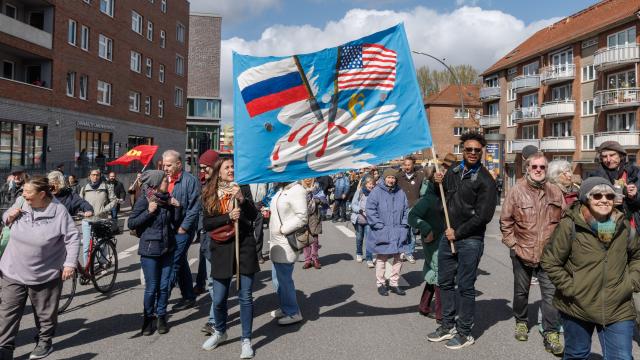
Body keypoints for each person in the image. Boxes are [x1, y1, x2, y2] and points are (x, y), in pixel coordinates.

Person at [541, 177, 640, 360]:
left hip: (618, 306)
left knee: (622, 357)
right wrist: (572, 287)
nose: (604, 200)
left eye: (609, 196)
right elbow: (550, 261)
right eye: (597, 195)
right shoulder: (570, 225)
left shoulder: (623, 225)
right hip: (577, 305)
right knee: (576, 355)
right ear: (586, 198)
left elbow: (637, 256)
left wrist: (631, 282)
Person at [428, 131, 497, 349]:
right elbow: (442, 196)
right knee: (445, 282)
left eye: (477, 150)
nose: (473, 153)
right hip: (448, 236)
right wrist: (434, 181)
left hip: (470, 240)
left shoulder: (486, 180)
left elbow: (483, 216)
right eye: (469, 149)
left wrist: (458, 233)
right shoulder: (454, 171)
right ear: (462, 150)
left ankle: (465, 331)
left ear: (482, 151)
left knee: (466, 286)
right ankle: (447, 325)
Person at [0, 177, 80, 360]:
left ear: (42, 194)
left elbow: (72, 238)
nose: (23, 195)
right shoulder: (22, 202)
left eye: (28, 193)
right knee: (7, 313)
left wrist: (69, 264)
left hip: (44, 273)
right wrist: (8, 216)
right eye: (23, 192)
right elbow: (6, 219)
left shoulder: (59, 212)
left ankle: (44, 341)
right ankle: (4, 348)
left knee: (45, 314)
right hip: (13, 270)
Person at [499, 153, 564, 355]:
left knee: (551, 294)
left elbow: (564, 221)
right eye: (534, 166)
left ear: (546, 169)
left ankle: (551, 332)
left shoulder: (555, 192)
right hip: (521, 253)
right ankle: (521, 321)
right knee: (521, 292)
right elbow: (505, 221)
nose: (538, 170)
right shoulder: (516, 191)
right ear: (527, 168)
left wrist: (560, 250)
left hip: (549, 255)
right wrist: (513, 245)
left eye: (542, 167)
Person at [200, 156, 258, 359]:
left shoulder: (242, 186)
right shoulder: (208, 191)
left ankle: (246, 339)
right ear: (218, 171)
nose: (231, 170)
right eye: (227, 167)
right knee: (218, 298)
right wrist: (227, 217)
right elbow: (207, 224)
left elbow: (253, 216)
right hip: (221, 247)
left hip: (244, 246)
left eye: (233, 166)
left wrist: (242, 199)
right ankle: (220, 331)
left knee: (245, 296)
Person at [127, 170, 180, 336]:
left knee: (164, 286)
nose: (168, 181)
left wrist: (177, 207)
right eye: (165, 180)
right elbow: (131, 223)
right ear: (156, 184)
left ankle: (161, 316)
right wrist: (148, 212)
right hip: (150, 250)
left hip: (168, 248)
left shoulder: (168, 199)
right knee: (152, 287)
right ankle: (148, 318)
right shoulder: (145, 200)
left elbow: (175, 223)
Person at [162, 150, 202, 311]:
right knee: (181, 262)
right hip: (166, 229)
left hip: (183, 229)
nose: (165, 168)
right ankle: (189, 296)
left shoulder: (190, 181)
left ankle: (161, 299)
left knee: (173, 263)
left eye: (169, 165)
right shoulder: (162, 179)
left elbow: (194, 208)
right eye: (164, 164)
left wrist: (184, 227)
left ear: (179, 164)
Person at [366, 168, 409, 296]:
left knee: (399, 258)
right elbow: (370, 209)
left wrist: (405, 224)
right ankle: (381, 283)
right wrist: (379, 225)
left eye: (393, 178)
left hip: (398, 230)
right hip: (383, 230)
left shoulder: (400, 192)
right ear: (384, 178)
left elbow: (406, 210)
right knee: (381, 258)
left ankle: (394, 283)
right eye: (389, 177)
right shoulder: (376, 192)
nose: (391, 180)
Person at [409, 166, 445, 321]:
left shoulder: (444, 196)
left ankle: (424, 306)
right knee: (440, 274)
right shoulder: (428, 199)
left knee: (435, 272)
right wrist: (426, 229)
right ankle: (441, 315)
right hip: (433, 241)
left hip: (445, 239)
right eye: (439, 176)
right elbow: (412, 216)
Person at [269, 181, 307, 325]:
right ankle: (285, 307)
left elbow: (302, 217)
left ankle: (293, 312)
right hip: (276, 242)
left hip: (286, 241)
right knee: (276, 279)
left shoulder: (297, 189)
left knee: (284, 280)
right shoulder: (282, 188)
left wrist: (283, 229)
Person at [592, 141, 640, 233]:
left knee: (634, 246)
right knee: (611, 246)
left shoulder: (635, 173)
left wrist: (634, 196)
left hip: (633, 224)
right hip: (607, 224)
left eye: (612, 155)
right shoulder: (595, 177)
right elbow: (586, 201)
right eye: (604, 156)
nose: (608, 159)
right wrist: (609, 201)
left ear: (621, 156)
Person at [79, 168, 117, 265]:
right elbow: (79, 202)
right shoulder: (84, 188)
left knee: (102, 244)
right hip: (87, 220)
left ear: (100, 176)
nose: (95, 177)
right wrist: (82, 212)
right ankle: (87, 268)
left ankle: (103, 262)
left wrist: (104, 209)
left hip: (101, 219)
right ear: (89, 176)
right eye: (93, 175)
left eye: (97, 175)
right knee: (87, 247)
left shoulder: (106, 187)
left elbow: (114, 201)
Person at [396, 156, 424, 264]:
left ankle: (410, 252)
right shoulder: (399, 176)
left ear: (413, 165)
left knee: (412, 232)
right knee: (403, 231)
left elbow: (424, 191)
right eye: (405, 165)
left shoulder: (420, 176)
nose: (407, 167)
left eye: (409, 165)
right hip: (401, 208)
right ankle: (402, 250)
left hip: (414, 209)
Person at [301, 178, 327, 270]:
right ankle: (307, 260)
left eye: (309, 177)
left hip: (314, 217)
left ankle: (315, 259)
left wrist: (316, 200)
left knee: (314, 240)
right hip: (302, 217)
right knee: (305, 240)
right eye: (306, 177)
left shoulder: (317, 187)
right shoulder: (299, 188)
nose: (307, 179)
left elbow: (324, 200)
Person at [351, 176, 375, 267]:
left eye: (373, 184)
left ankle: (369, 258)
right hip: (359, 219)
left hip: (369, 220)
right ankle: (359, 253)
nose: (371, 186)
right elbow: (353, 204)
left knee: (369, 240)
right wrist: (360, 210)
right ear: (365, 184)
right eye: (369, 184)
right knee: (359, 238)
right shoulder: (360, 192)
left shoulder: (375, 193)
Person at [249, 183, 269, 263]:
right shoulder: (250, 178)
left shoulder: (264, 180)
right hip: (249, 206)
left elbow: (268, 193)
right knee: (249, 233)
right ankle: (250, 254)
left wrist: (264, 205)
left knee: (259, 233)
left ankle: (259, 254)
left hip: (260, 207)